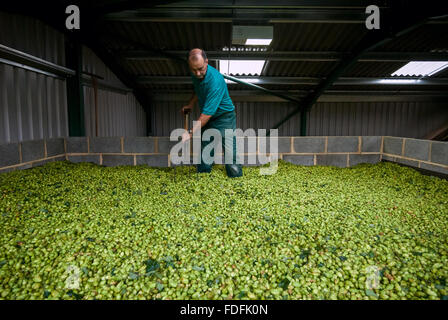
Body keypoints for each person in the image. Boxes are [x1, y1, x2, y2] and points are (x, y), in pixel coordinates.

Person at [181, 48, 243, 178]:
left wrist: (190, 133)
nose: (197, 73)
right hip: (209, 116)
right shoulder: (196, 73)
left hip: (224, 116)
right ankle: (203, 175)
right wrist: (191, 104)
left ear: (207, 62)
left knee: (230, 149)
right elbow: (199, 89)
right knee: (206, 146)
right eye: (194, 70)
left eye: (200, 69)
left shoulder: (215, 80)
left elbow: (207, 114)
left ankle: (236, 177)